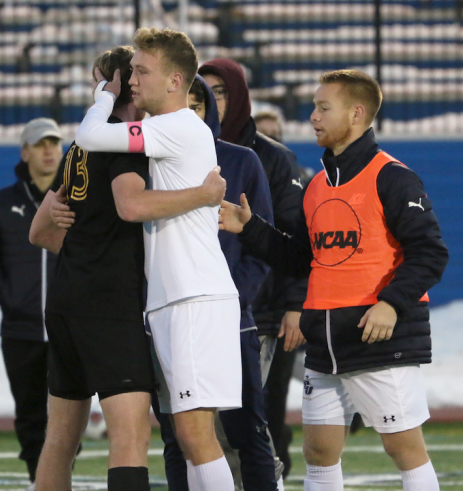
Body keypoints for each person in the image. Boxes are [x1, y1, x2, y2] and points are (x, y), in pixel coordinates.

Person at [220, 69, 449, 491]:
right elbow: (300, 259)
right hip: (324, 344)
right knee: (319, 453)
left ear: (357, 113)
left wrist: (391, 304)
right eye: (314, 107)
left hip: (378, 339)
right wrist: (250, 227)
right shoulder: (317, 187)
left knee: (405, 451)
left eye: (324, 107)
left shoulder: (393, 177)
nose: (313, 117)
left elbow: (431, 252)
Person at [29, 45, 226, 491]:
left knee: (61, 439)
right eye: (134, 73)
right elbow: (132, 204)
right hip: (108, 303)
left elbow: (40, 231)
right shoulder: (126, 141)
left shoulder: (79, 147)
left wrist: (83, 249)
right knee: (131, 435)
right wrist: (202, 195)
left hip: (64, 300)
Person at [74, 28, 242, 491]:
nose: (132, 81)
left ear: (174, 81)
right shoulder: (169, 129)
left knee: (195, 432)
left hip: (194, 295)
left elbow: (89, 136)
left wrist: (102, 97)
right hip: (177, 297)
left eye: (142, 72)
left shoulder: (175, 126)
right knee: (188, 436)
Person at [152, 75, 279, 491]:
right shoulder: (151, 160)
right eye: (181, 104)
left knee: (247, 431)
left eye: (198, 105)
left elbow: (261, 241)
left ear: (209, 111)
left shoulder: (241, 161)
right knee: (177, 435)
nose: (189, 113)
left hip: (230, 315)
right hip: (167, 312)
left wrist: (230, 299)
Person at [199, 58, 311, 478]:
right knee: (199, 428)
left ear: (239, 94)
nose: (209, 99)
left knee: (240, 426)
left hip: (256, 314)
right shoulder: (182, 152)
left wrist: (296, 303)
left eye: (219, 89)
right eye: (201, 90)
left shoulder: (273, 158)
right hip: (196, 312)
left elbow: (296, 239)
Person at [0, 117, 64, 484]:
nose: (47, 151)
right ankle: (36, 480)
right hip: (20, 329)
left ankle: (60, 479)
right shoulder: (2, 203)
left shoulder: (79, 197)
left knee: (66, 414)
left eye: (54, 143)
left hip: (66, 327)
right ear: (25, 152)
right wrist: (7, 297)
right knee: (29, 413)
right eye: (40, 144)